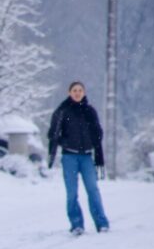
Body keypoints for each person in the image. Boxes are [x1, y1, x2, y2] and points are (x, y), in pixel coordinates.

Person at [47, 81, 111, 235]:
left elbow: (98, 133)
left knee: (93, 189)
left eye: (80, 90)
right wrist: (64, 142)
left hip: (87, 157)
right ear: (70, 93)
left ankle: (101, 223)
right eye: (74, 90)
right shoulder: (62, 111)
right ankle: (77, 224)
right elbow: (53, 134)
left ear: (84, 92)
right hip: (69, 156)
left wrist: (93, 143)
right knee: (72, 192)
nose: (77, 93)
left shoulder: (89, 111)